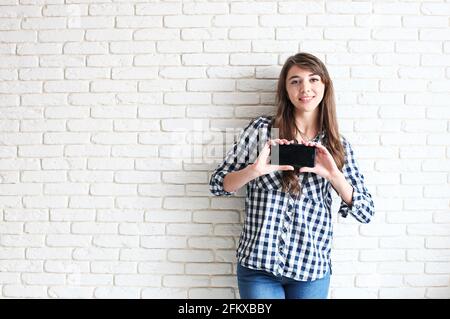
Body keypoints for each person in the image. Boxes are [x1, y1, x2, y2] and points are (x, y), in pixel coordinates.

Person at [209, 52, 375, 299]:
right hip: (258, 266)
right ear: (285, 89)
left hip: (311, 270)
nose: (305, 88)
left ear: (325, 86)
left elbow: (365, 211)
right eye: (295, 81)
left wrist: (334, 176)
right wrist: (254, 170)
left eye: (313, 80)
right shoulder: (261, 131)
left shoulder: (337, 146)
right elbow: (217, 184)